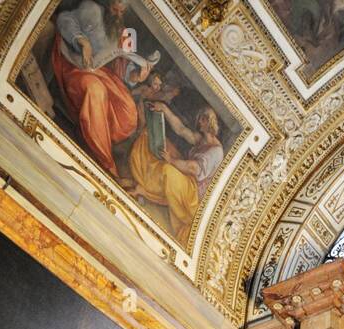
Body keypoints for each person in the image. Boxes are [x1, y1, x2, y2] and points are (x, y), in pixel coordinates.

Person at [49, 0, 154, 179]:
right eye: (115, 9)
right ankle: (106, 163)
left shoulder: (121, 32)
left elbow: (124, 66)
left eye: (122, 12)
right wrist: (82, 41)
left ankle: (97, 132)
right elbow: (64, 19)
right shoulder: (91, 9)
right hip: (77, 68)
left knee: (128, 111)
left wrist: (136, 76)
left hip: (103, 74)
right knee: (95, 90)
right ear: (108, 4)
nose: (118, 15)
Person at [128, 102, 223, 244]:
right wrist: (164, 109)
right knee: (157, 141)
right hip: (187, 177)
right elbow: (181, 129)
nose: (199, 122)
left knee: (167, 169)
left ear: (208, 121)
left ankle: (148, 190)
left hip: (192, 193)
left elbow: (194, 168)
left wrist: (171, 160)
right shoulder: (202, 139)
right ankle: (144, 178)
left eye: (202, 119)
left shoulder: (216, 151)